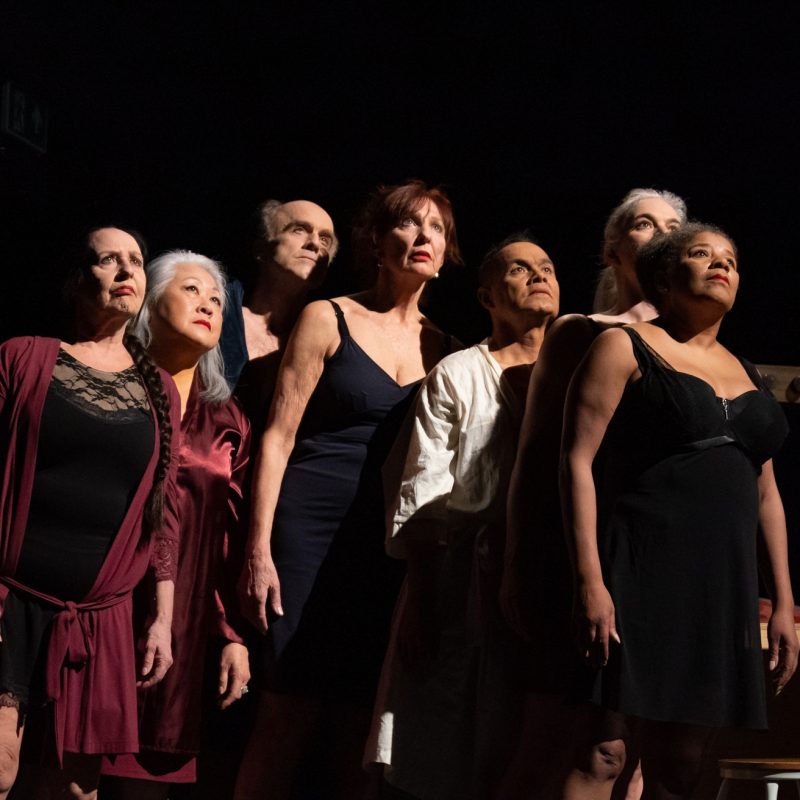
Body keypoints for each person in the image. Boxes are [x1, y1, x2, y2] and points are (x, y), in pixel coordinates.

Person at [235, 180, 462, 800]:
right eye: (408, 224)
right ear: (376, 243)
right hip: (307, 531)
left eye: (436, 228)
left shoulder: (447, 349)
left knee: (361, 728)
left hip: (382, 547)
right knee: (286, 713)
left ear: (445, 254)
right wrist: (257, 549)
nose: (423, 236)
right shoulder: (328, 316)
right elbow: (277, 436)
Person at [557, 223, 797, 800]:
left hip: (719, 587)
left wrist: (784, 602)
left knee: (683, 762)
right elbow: (576, 461)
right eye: (701, 254)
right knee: (605, 749)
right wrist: (590, 580)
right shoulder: (624, 346)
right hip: (638, 570)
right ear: (665, 277)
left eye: (730, 259)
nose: (721, 264)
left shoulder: (748, 372)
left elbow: (767, 494)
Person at [498, 188, 687, 799]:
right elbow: (536, 458)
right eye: (645, 223)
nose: (661, 234)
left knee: (637, 755)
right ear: (612, 249)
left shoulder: (696, 351)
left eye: (674, 226)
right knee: (568, 742)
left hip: (659, 564)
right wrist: (518, 563)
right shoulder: (581, 332)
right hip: (580, 558)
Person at [365, 234, 560, 799]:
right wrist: (422, 598)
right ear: (486, 296)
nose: (538, 276)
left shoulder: (579, 373)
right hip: (461, 580)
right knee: (447, 742)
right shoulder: (458, 373)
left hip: (550, 580)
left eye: (546, 267)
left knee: (531, 746)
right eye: (519, 269)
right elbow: (423, 489)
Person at [0, 227, 179, 800]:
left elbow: (163, 516)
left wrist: (162, 620)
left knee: (78, 790)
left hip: (99, 617)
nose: (127, 271)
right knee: (0, 769)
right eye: (109, 260)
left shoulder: (160, 391)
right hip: (10, 600)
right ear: (79, 281)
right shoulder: (23, 357)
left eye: (137, 261)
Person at [99, 251, 251, 798]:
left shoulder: (229, 419)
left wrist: (231, 634)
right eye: (191, 289)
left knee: (148, 778)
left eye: (216, 299)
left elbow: (229, 535)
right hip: (104, 601)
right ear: (148, 299)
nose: (208, 304)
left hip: (183, 616)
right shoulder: (109, 385)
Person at [220, 199, 338, 428]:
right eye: (299, 230)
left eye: (325, 239)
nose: (315, 244)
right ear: (260, 248)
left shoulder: (332, 343)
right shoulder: (215, 315)